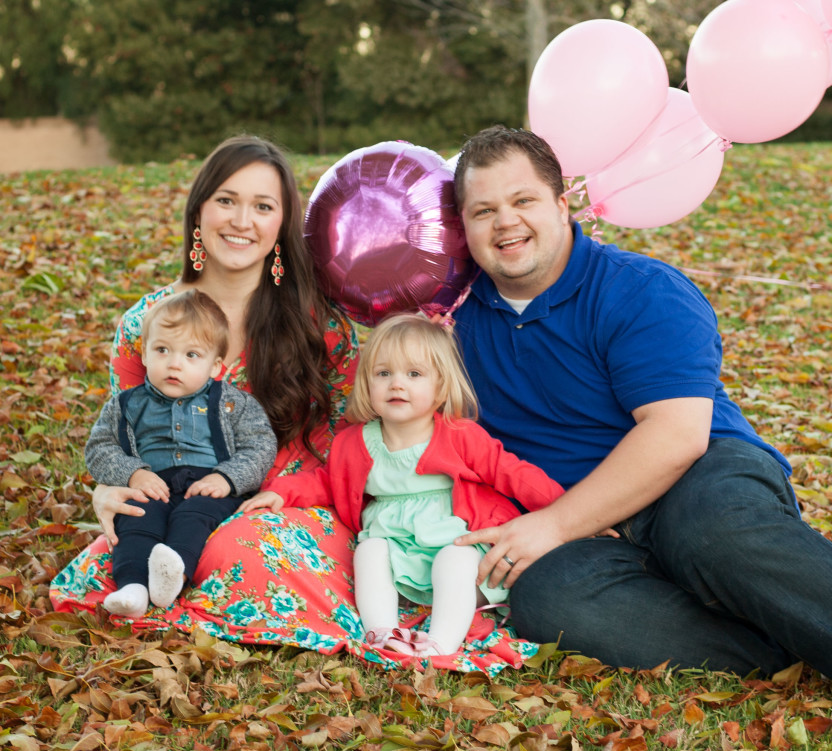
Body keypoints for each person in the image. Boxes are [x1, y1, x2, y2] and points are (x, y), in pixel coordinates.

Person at [448, 125, 832, 736]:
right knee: (546, 597)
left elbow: (677, 437)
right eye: (483, 211)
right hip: (585, 525)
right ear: (462, 228)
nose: (506, 224)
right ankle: (796, 647)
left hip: (698, 477)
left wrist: (553, 523)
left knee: (707, 533)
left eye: (522, 201)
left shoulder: (640, 291)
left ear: (562, 202)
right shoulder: (453, 324)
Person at [52, 135, 362, 648]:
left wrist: (288, 494)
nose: (242, 221)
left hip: (286, 504)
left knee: (236, 549)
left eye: (262, 206)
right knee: (126, 548)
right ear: (199, 212)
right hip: (173, 500)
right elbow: (124, 438)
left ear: (281, 227)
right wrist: (108, 487)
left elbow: (350, 446)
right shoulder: (145, 325)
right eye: (226, 200)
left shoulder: (318, 327)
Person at [238, 313, 565, 656]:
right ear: (367, 384)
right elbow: (327, 481)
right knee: (369, 550)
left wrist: (564, 510)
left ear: (441, 387)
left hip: (460, 546)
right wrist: (281, 491)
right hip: (400, 555)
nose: (397, 384)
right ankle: (382, 632)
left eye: (414, 374)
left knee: (454, 560)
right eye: (383, 374)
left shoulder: (459, 436)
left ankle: (440, 642)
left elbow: (512, 473)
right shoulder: (355, 442)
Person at [84, 290, 277, 617]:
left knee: (194, 516)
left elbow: (261, 445)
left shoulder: (232, 403)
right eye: (162, 350)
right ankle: (133, 588)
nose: (175, 363)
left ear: (215, 365)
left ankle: (174, 571)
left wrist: (228, 479)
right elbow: (99, 448)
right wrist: (132, 472)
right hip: (152, 483)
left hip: (208, 486)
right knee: (136, 518)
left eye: (191, 355)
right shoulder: (126, 405)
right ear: (144, 353)